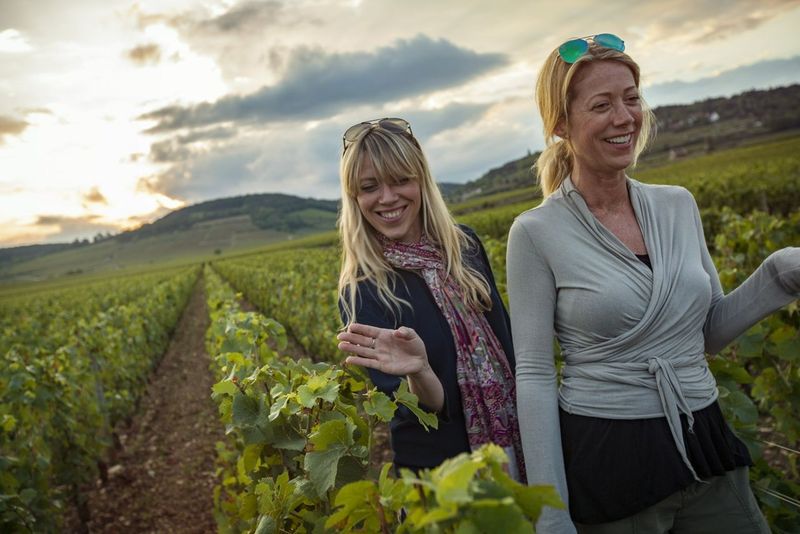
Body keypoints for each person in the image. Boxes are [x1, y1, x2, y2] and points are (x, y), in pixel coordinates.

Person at [506, 33, 799, 533]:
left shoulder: (677, 204)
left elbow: (702, 335)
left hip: (703, 436)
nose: (624, 118)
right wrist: (551, 515)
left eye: (631, 98)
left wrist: (777, 275)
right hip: (610, 458)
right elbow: (534, 377)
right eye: (602, 105)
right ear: (560, 124)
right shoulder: (536, 233)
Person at [335, 117, 524, 479]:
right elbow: (419, 412)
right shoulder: (363, 290)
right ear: (355, 197)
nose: (387, 198)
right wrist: (420, 372)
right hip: (443, 475)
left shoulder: (464, 246)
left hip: (518, 441)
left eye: (401, 180)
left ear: (421, 180)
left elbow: (508, 344)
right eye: (370, 186)